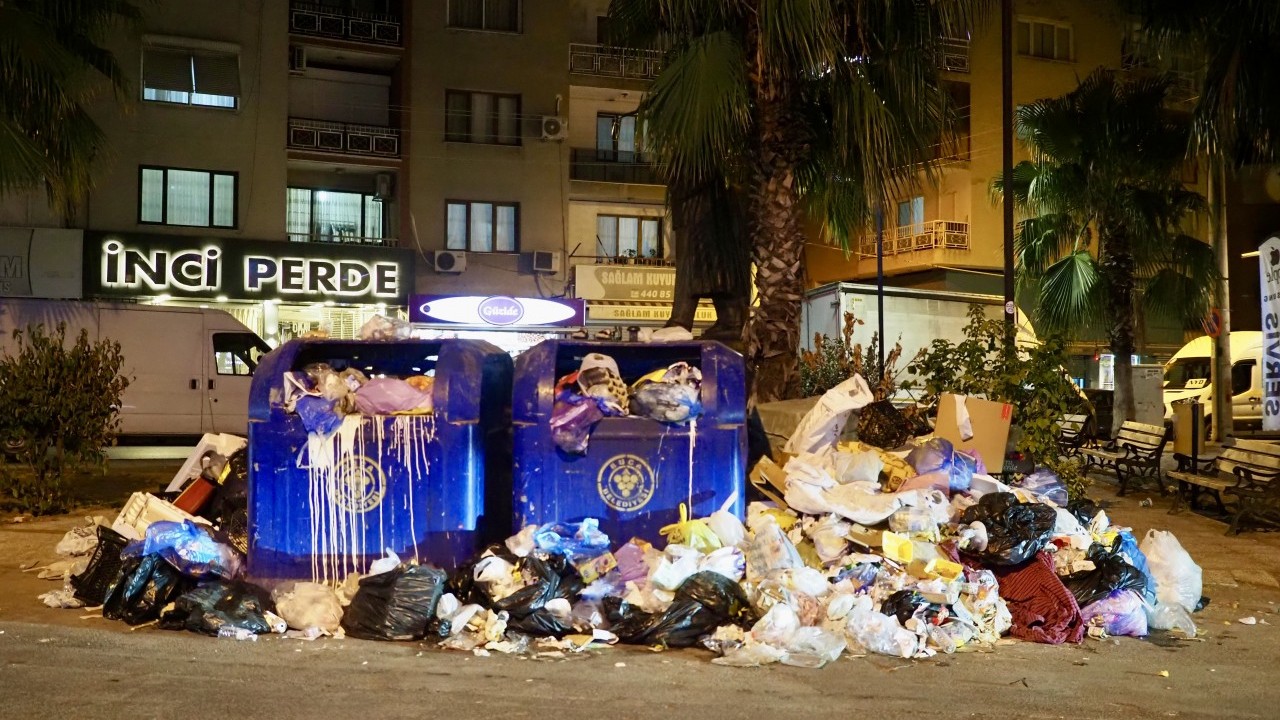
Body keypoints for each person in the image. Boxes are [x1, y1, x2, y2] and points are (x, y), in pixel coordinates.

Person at [665, 177, 750, 342]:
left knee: (700, 258)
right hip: (701, 207)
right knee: (699, 260)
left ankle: (729, 319)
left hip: (705, 209)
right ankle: (726, 318)